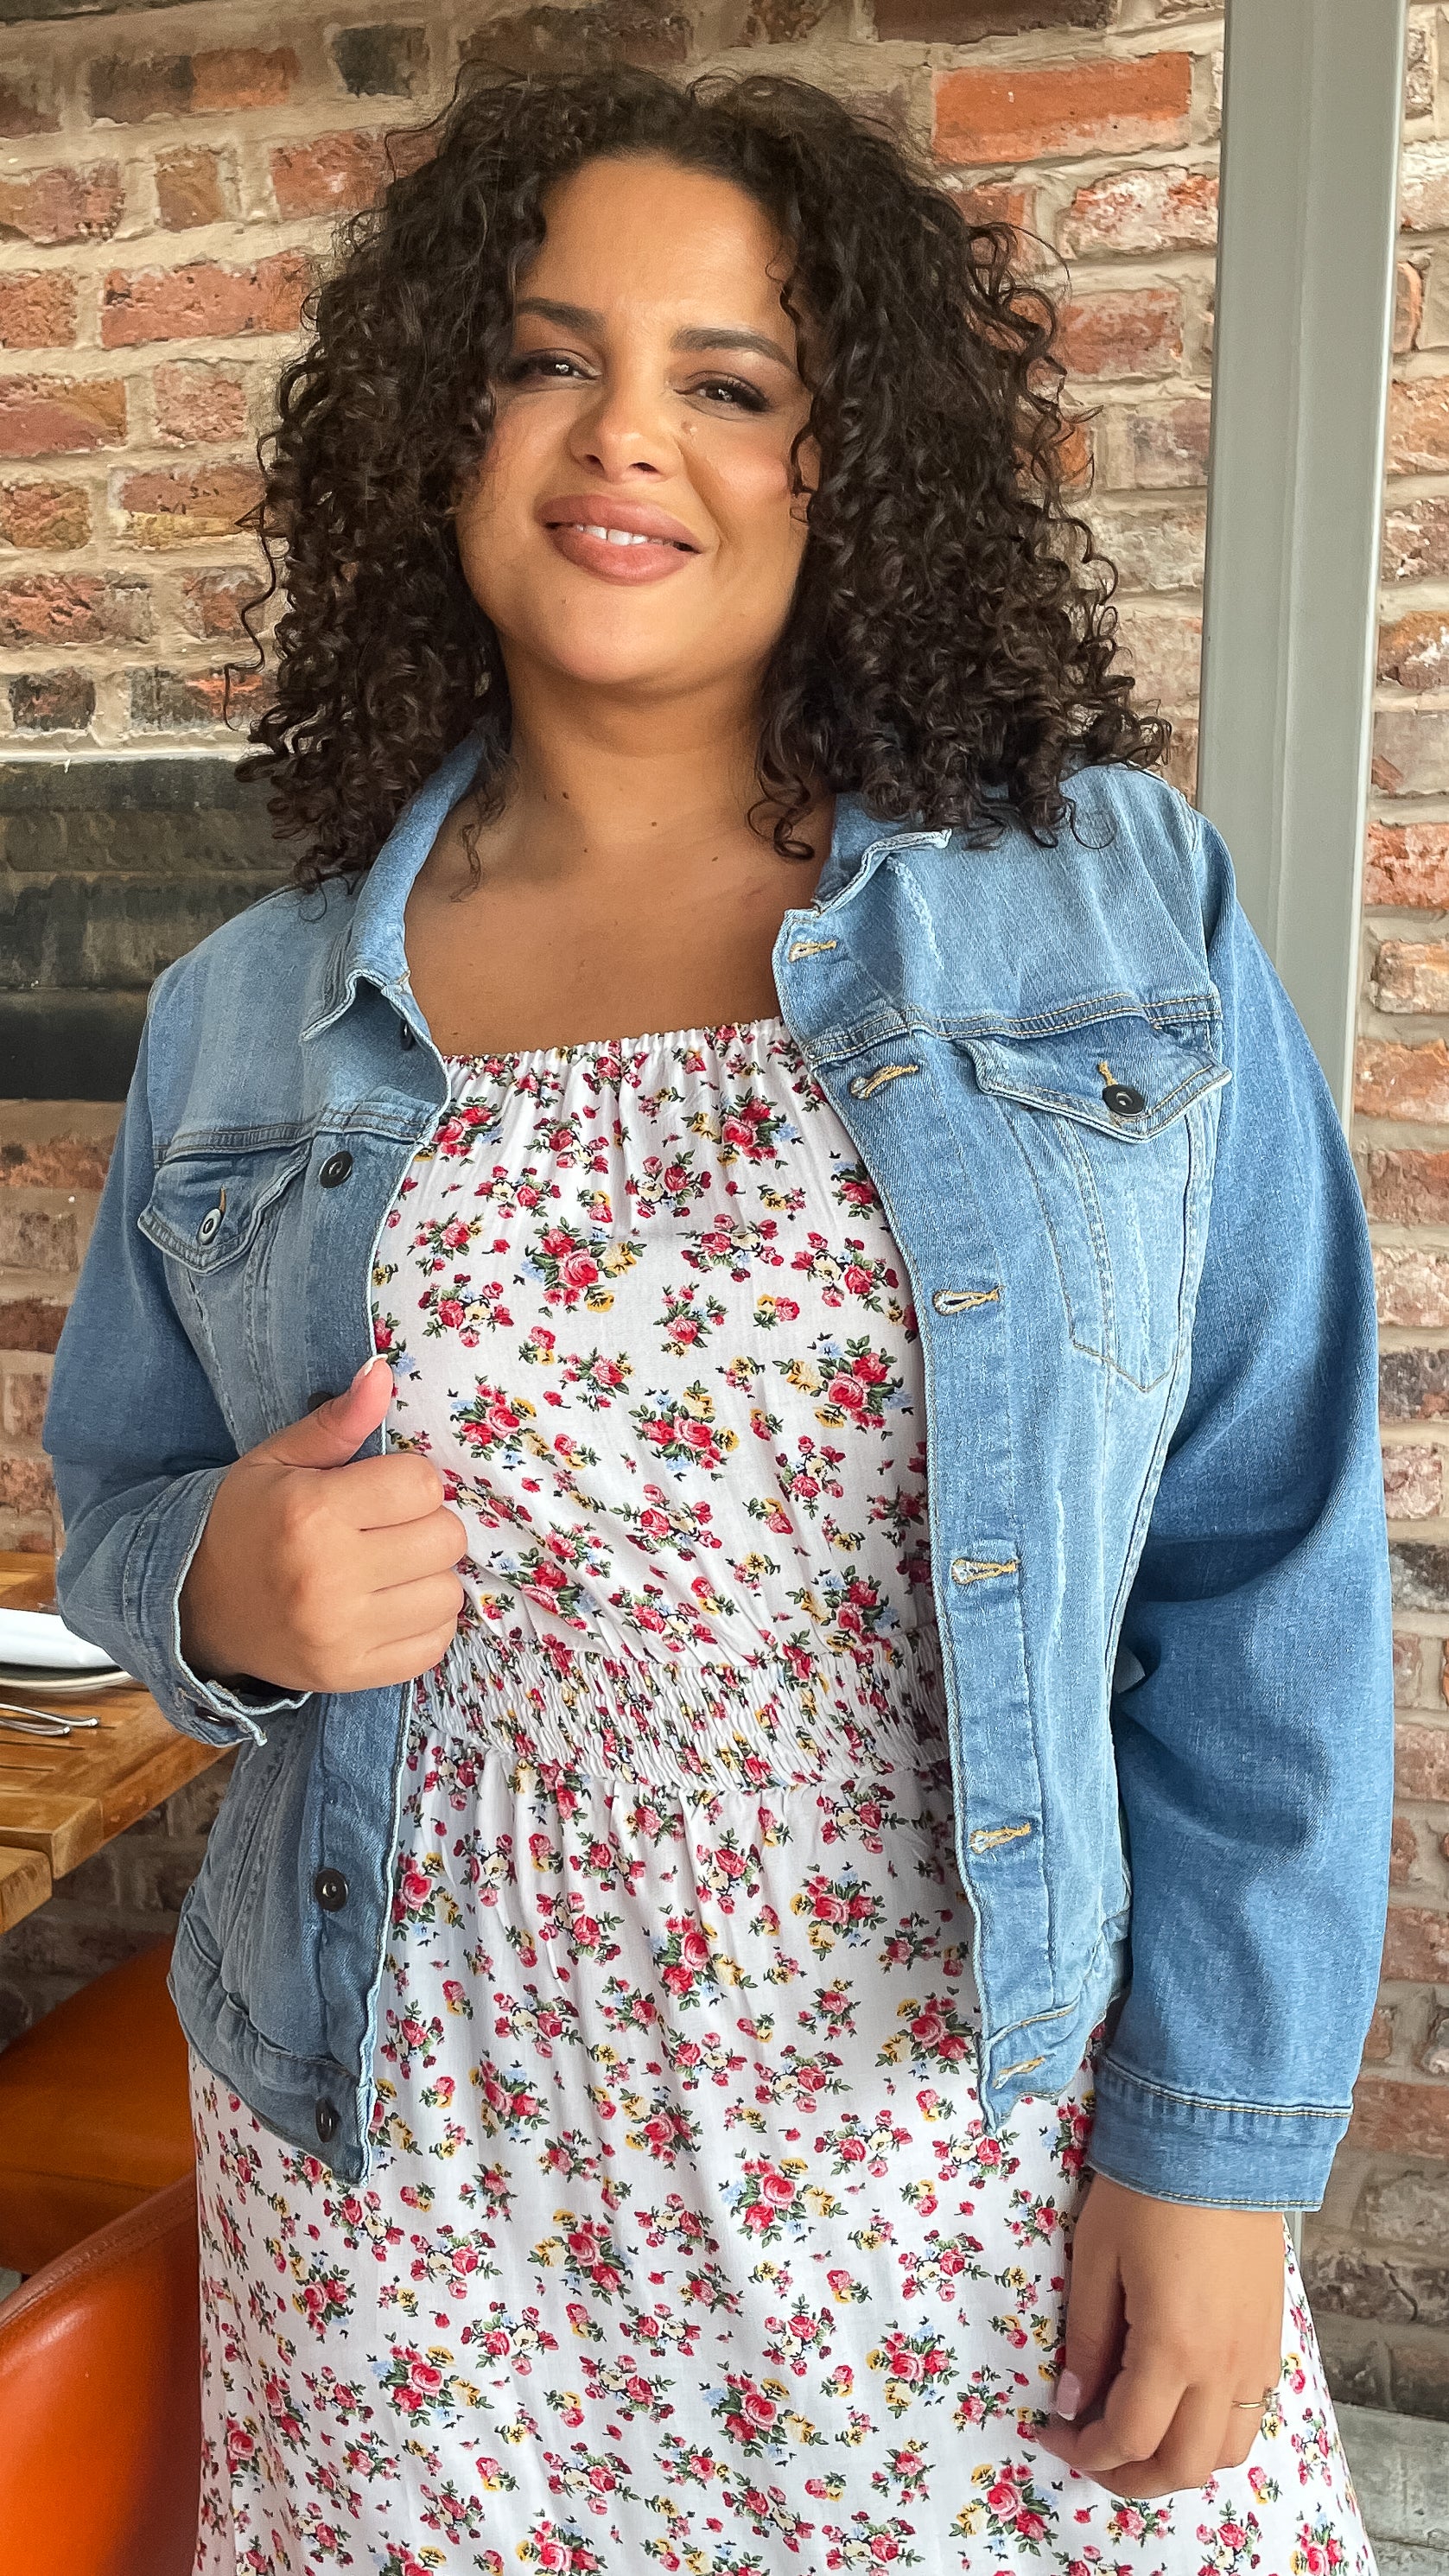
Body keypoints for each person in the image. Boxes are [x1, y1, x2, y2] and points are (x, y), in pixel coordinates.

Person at [44, 63, 1391, 2576]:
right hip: (415, 2188)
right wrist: (217, 1589)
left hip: (959, 2155)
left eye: (731, 380)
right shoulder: (248, 1012)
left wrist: (1218, 2150)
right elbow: (119, 1503)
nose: (623, 438)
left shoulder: (1108, 907)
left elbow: (1259, 1553)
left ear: (845, 464)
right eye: (546, 358)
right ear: (440, 430)